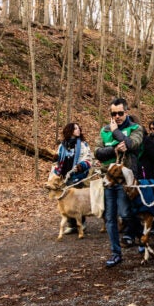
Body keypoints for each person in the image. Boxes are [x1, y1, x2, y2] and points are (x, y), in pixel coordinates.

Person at [94, 98, 144, 267]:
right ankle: (116, 253)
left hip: (125, 180)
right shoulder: (104, 130)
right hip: (108, 179)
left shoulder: (136, 128)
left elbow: (133, 144)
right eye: (113, 114)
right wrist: (114, 149)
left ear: (126, 112)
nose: (116, 116)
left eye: (120, 113)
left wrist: (117, 133)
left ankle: (142, 238)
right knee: (109, 218)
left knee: (126, 213)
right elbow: (98, 152)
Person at [53, 122, 93, 234]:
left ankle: (81, 223)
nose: (78, 130)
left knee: (77, 201)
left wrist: (81, 166)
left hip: (77, 176)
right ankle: (71, 225)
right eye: (75, 128)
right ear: (70, 130)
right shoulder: (62, 145)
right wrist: (55, 160)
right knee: (65, 200)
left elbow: (89, 158)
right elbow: (58, 160)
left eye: (78, 128)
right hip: (64, 177)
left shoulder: (83, 145)